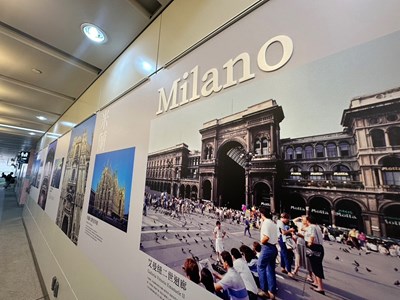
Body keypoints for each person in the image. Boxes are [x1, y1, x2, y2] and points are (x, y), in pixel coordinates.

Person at [257, 206, 278, 299]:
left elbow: (266, 237)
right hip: (274, 248)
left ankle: (264, 290)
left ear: (261, 214)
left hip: (267, 248)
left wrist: (261, 241)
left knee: (260, 266)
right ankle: (272, 290)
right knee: (270, 269)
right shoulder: (273, 223)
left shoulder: (265, 223)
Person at [304, 215, 325, 295]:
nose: (303, 220)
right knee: (314, 266)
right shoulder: (315, 226)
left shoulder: (312, 227)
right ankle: (316, 283)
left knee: (317, 267)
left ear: (308, 220)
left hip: (315, 248)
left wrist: (309, 243)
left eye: (304, 219)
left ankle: (320, 288)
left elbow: (312, 236)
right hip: (318, 248)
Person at [292, 216, 313, 280]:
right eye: (302, 220)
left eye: (303, 220)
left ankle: (310, 275)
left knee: (307, 260)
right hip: (298, 243)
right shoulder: (300, 224)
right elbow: (293, 221)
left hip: (305, 244)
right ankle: (296, 270)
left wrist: (301, 235)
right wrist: (299, 218)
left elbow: (309, 237)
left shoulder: (310, 227)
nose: (302, 221)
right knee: (297, 257)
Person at [276, 212, 295, 277]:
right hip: (282, 239)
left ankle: (283, 267)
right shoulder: (281, 223)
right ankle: (289, 271)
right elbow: (284, 232)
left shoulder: (279, 222)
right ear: (284, 218)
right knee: (286, 254)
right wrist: (290, 230)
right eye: (287, 219)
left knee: (282, 253)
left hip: (280, 239)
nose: (287, 220)